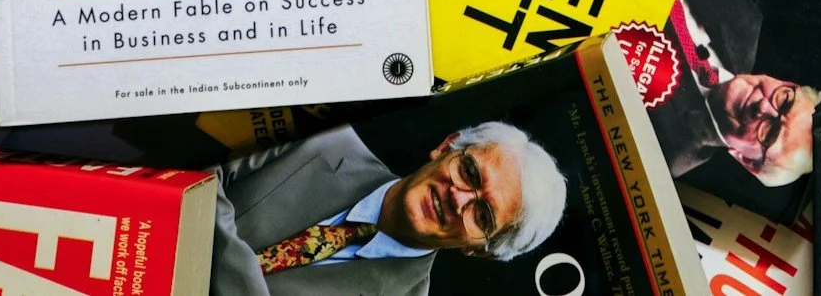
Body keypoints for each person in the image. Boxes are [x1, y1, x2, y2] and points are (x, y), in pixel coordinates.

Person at [212, 121, 567, 296]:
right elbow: (198, 160)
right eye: (469, 172)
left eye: (483, 215)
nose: (458, 198)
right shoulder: (322, 134)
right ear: (447, 146)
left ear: (480, 251)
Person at [644, 0, 820, 190]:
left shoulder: (661, 155)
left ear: (746, 160)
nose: (763, 106)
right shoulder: (744, 19)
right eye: (785, 101)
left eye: (770, 133)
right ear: (786, 83)